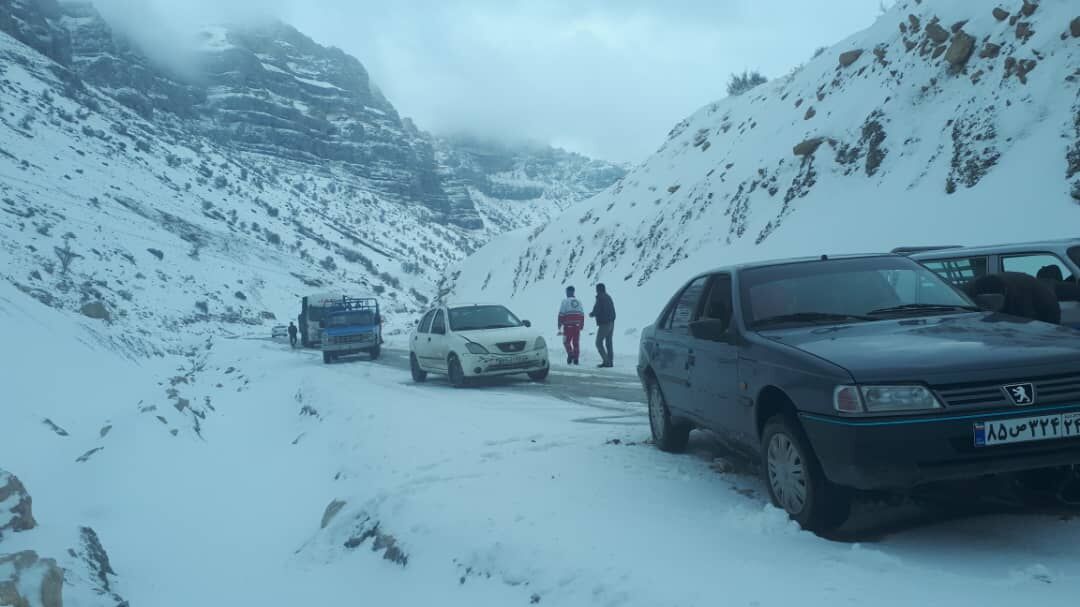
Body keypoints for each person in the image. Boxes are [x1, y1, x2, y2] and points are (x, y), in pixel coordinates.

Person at [589, 283, 616, 368]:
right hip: (611, 322)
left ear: (598, 290)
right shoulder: (608, 297)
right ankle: (610, 361)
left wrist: (592, 314)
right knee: (609, 343)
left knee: (598, 343)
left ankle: (606, 361)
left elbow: (597, 309)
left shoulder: (600, 298)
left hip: (604, 323)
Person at [557, 286, 585, 365]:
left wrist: (559, 324)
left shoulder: (565, 301)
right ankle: (576, 359)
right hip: (577, 326)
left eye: (566, 292)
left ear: (568, 292)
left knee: (566, 342)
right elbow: (582, 314)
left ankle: (570, 354)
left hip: (568, 326)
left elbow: (561, 314)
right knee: (576, 343)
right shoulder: (579, 302)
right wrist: (581, 324)